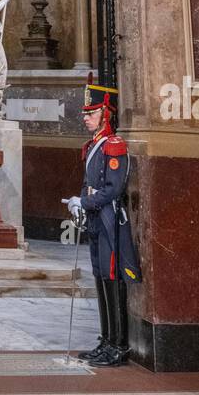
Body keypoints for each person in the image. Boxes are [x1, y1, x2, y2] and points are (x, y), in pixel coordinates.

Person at [65, 78, 141, 367]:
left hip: (110, 219)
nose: (86, 118)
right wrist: (80, 202)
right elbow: (90, 184)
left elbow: (113, 189)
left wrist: (85, 202)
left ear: (105, 114)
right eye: (85, 113)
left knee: (111, 277)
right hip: (96, 219)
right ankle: (106, 339)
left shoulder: (114, 145)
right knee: (98, 275)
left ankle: (118, 345)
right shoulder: (92, 145)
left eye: (92, 113)